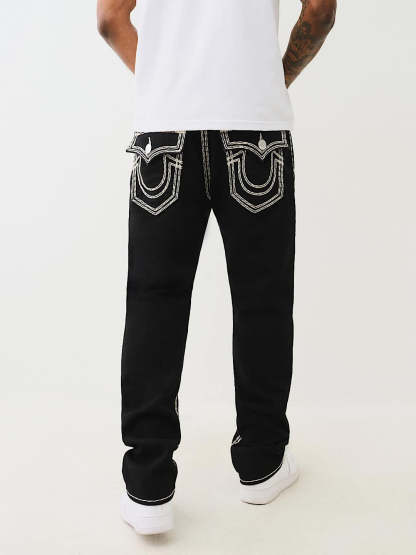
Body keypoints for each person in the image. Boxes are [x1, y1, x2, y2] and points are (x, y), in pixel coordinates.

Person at [97, 0, 336, 536]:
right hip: (255, 128)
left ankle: (148, 486)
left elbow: (110, 19)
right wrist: (269, 81)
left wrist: (165, 82)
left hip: (165, 130)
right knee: (262, 302)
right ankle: (262, 464)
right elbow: (320, 10)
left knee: (154, 304)